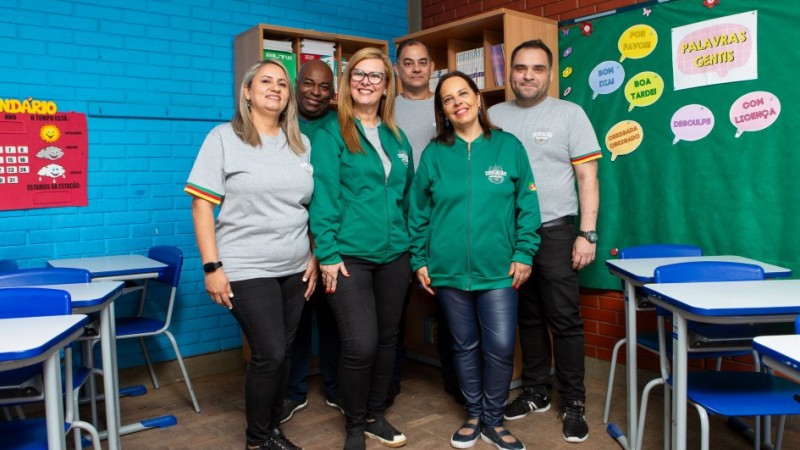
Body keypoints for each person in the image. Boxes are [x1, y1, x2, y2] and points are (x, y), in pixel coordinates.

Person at [185, 59, 315, 450]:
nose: (275, 88)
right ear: (247, 91)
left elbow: (307, 206)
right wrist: (212, 267)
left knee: (283, 353)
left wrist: (313, 254)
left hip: (295, 267)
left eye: (282, 83)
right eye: (265, 81)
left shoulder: (300, 143)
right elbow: (202, 206)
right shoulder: (223, 138)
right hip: (245, 266)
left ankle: (273, 430)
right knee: (270, 352)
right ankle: (258, 440)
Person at [409, 71, 541, 450]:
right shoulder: (434, 154)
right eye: (448, 99)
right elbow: (418, 212)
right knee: (463, 346)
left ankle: (494, 421)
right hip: (447, 271)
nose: (458, 103)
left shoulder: (508, 147)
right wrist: (419, 259)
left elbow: (528, 205)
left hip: (499, 270)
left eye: (463, 94)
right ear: (443, 111)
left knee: (500, 347)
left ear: (478, 98)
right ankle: (473, 415)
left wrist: (524, 252)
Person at [488, 39, 601, 444]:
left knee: (564, 320)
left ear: (550, 74)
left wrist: (586, 233)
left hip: (554, 231)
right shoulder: (493, 116)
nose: (528, 75)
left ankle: (574, 402)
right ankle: (536, 391)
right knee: (528, 317)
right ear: (510, 73)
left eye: (537, 68)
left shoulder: (570, 114)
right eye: (520, 68)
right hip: (507, 235)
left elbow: (588, 177)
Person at [309, 47, 414, 450]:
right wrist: (328, 254)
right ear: (347, 81)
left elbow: (407, 197)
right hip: (348, 256)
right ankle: (354, 426)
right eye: (359, 74)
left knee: (387, 340)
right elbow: (324, 197)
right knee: (360, 343)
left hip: (396, 256)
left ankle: (375, 415)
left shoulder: (397, 137)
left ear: (387, 86)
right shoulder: (331, 132)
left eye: (375, 76)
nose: (366, 82)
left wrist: (411, 247)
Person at [391, 38, 462, 406]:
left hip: (443, 218)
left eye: (422, 62)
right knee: (394, 305)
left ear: (433, 67)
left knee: (451, 305)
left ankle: (456, 380)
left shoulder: (446, 104)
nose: (416, 68)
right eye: (408, 62)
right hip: (399, 218)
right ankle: (389, 380)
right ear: (397, 68)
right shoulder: (386, 107)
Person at [281, 59, 343, 423]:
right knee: (297, 320)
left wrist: (323, 245)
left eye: (324, 87)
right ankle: (293, 391)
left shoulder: (340, 124)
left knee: (335, 318)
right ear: (296, 83)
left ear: (333, 92)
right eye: (309, 83)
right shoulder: (280, 121)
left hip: (331, 239)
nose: (316, 93)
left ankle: (336, 389)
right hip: (292, 240)